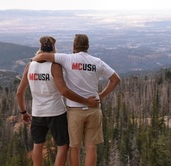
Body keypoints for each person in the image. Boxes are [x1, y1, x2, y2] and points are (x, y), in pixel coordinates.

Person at [32, 34, 120, 166]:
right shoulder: (97, 62)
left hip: (75, 110)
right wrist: (100, 96)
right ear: (88, 47)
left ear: (73, 46)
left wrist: (34, 59)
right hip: (94, 109)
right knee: (91, 147)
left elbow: (43, 56)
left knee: (75, 148)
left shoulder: (67, 59)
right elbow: (115, 79)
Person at [16, 35, 99, 166]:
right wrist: (86, 101)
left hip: (38, 112)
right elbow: (64, 91)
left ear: (40, 47)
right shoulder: (54, 66)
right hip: (56, 112)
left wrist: (23, 112)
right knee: (62, 146)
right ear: (54, 47)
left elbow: (19, 92)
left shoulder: (30, 66)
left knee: (37, 145)